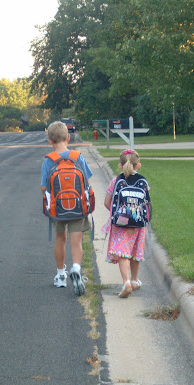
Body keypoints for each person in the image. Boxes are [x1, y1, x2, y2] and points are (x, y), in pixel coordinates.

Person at [40, 121, 93, 295]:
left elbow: (44, 188)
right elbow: (87, 181)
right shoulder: (78, 157)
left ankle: (61, 275)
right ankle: (76, 268)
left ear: (49, 141)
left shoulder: (48, 161)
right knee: (76, 241)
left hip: (58, 209)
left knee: (60, 239)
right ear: (68, 138)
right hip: (77, 207)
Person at [103, 149, 151, 298]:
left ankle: (126, 283)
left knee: (122, 252)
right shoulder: (143, 181)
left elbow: (107, 202)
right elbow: (147, 203)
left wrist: (118, 213)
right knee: (135, 251)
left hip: (120, 223)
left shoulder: (115, 181)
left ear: (120, 166)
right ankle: (134, 280)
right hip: (138, 223)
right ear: (139, 165)